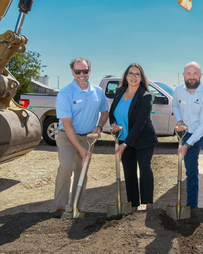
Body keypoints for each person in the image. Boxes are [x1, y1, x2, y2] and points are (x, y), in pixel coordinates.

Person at [54, 57, 109, 213]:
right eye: (78, 71)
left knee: (82, 169)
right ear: (73, 72)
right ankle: (61, 205)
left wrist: (99, 127)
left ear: (90, 71)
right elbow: (67, 124)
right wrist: (79, 148)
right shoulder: (65, 93)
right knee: (66, 165)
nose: (81, 74)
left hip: (89, 137)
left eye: (85, 71)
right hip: (67, 135)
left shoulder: (98, 91)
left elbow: (105, 112)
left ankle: (77, 206)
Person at [172, 61, 203, 217]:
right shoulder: (178, 91)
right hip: (188, 131)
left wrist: (186, 145)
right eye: (188, 73)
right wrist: (179, 120)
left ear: (200, 75)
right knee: (191, 169)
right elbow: (175, 106)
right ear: (183, 75)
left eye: (195, 74)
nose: (191, 77)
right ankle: (191, 205)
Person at [109, 63, 158, 213]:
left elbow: (140, 123)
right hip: (124, 138)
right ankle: (133, 204)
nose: (133, 77)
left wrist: (124, 145)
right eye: (131, 73)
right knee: (129, 171)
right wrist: (114, 124)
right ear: (126, 76)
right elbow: (112, 113)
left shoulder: (145, 96)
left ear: (142, 78)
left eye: (137, 74)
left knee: (144, 168)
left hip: (143, 140)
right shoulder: (119, 91)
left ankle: (149, 204)